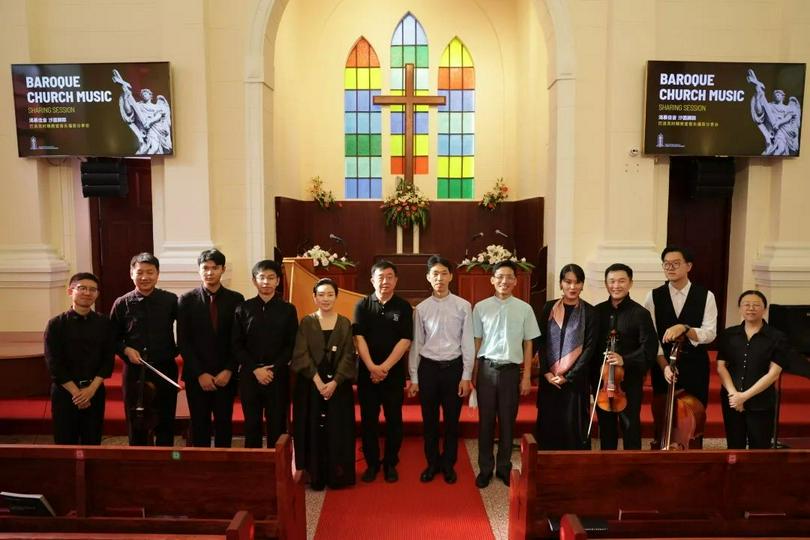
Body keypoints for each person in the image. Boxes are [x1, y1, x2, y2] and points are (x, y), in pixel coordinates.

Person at [473, 260, 540, 488]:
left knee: (508, 422)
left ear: (515, 280)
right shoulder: (481, 307)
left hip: (512, 372)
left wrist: (527, 376)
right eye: (500, 276)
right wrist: (472, 377)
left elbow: (528, 344)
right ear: (492, 279)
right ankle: (484, 469)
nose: (504, 281)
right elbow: (476, 342)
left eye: (509, 277)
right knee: (486, 422)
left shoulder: (524, 309)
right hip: (487, 370)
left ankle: (503, 467)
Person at [408, 256, 474, 484]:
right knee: (430, 421)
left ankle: (448, 464)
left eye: (444, 273)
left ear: (451, 276)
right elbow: (416, 344)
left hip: (453, 369)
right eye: (435, 273)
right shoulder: (422, 309)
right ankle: (432, 463)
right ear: (428, 277)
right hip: (428, 369)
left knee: (452, 421)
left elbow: (467, 343)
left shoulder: (463, 305)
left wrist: (466, 376)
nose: (439, 278)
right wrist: (414, 377)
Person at [643, 246, 717, 448]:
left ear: (689, 266)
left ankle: (691, 453)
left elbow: (710, 333)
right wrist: (664, 365)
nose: (670, 268)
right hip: (663, 366)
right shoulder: (653, 296)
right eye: (666, 264)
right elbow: (651, 337)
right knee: (663, 417)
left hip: (695, 365)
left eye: (676, 263)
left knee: (694, 418)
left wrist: (685, 328)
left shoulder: (706, 296)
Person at [291, 278, 357, 490]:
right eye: (321, 294)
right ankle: (317, 476)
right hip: (312, 385)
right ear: (314, 297)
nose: (325, 298)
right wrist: (319, 382)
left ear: (336, 296)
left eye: (330, 294)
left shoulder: (345, 323)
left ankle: (338, 475)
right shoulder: (306, 322)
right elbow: (301, 354)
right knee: (313, 430)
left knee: (338, 430)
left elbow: (349, 356)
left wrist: (335, 382)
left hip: (338, 387)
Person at [177, 249, 244, 447]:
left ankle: (224, 466)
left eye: (215, 268)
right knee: (199, 425)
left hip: (226, 375)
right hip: (197, 376)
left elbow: (238, 340)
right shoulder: (186, 300)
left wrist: (229, 369)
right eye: (205, 268)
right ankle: (201, 468)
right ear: (199, 270)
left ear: (223, 270)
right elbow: (183, 341)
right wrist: (200, 373)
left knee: (224, 423)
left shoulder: (236, 299)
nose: (210, 272)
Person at [110, 252, 179, 446]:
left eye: (150, 272)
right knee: (136, 421)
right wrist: (125, 350)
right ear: (131, 273)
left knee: (165, 420)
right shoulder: (121, 303)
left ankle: (165, 461)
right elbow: (112, 338)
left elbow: (186, 330)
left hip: (164, 367)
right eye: (140, 272)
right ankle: (138, 462)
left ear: (157, 274)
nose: (145, 277)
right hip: (134, 371)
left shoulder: (170, 300)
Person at [354, 260, 413, 483]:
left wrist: (384, 368)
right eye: (380, 277)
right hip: (367, 375)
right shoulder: (362, 305)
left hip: (393, 375)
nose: (385, 281)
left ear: (396, 280)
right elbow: (358, 338)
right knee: (368, 421)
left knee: (393, 420)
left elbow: (405, 340)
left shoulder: (403, 306)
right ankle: (371, 463)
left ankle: (390, 463)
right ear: (372, 280)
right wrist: (371, 367)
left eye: (390, 277)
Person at [233, 259, 298, 448]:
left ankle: (277, 469)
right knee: (251, 425)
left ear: (278, 281)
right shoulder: (243, 308)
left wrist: (274, 368)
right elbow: (236, 345)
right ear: (254, 281)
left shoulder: (288, 309)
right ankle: (253, 469)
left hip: (277, 376)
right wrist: (255, 369)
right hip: (249, 375)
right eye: (262, 277)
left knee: (277, 425)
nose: (266, 282)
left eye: (271, 278)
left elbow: (291, 344)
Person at [44, 272, 115, 445]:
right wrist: (77, 393)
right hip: (65, 392)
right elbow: (54, 363)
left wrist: (91, 390)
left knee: (93, 440)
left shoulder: (104, 323)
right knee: (65, 441)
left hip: (95, 391)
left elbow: (107, 359)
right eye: (82, 288)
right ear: (70, 291)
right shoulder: (56, 324)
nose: (87, 293)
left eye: (92, 290)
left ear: (97, 294)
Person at [593, 263, 657, 451]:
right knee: (606, 428)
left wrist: (625, 359)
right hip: (603, 382)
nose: (616, 285)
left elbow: (649, 348)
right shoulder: (597, 312)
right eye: (611, 281)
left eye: (621, 281)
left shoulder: (640, 314)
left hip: (628, 382)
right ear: (606, 284)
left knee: (630, 426)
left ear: (630, 283)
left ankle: (632, 468)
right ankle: (607, 466)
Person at [717, 290, 791, 449]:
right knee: (734, 446)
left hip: (761, 400)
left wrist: (744, 396)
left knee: (760, 447)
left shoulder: (777, 337)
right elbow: (721, 367)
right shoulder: (729, 334)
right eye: (746, 305)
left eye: (756, 305)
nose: (751, 308)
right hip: (732, 400)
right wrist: (733, 395)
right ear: (739, 308)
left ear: (764, 309)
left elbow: (774, 374)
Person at [535, 264, 598, 450]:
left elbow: (589, 349)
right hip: (549, 379)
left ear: (582, 285)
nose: (572, 287)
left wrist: (568, 376)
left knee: (574, 429)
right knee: (549, 426)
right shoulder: (548, 308)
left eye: (577, 282)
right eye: (568, 282)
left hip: (575, 381)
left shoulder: (590, 312)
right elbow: (542, 342)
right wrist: (546, 372)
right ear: (561, 284)